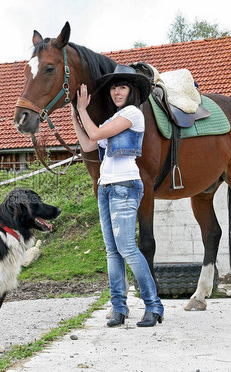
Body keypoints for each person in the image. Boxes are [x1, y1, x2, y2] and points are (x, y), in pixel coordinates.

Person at [71, 64, 164, 327]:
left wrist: (81, 111)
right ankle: (119, 309)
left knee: (127, 248)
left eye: (121, 87)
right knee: (112, 251)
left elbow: (97, 134)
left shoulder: (133, 114)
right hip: (106, 186)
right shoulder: (112, 120)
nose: (116, 91)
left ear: (132, 90)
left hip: (125, 184)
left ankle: (153, 305)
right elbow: (89, 144)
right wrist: (74, 116)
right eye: (113, 87)